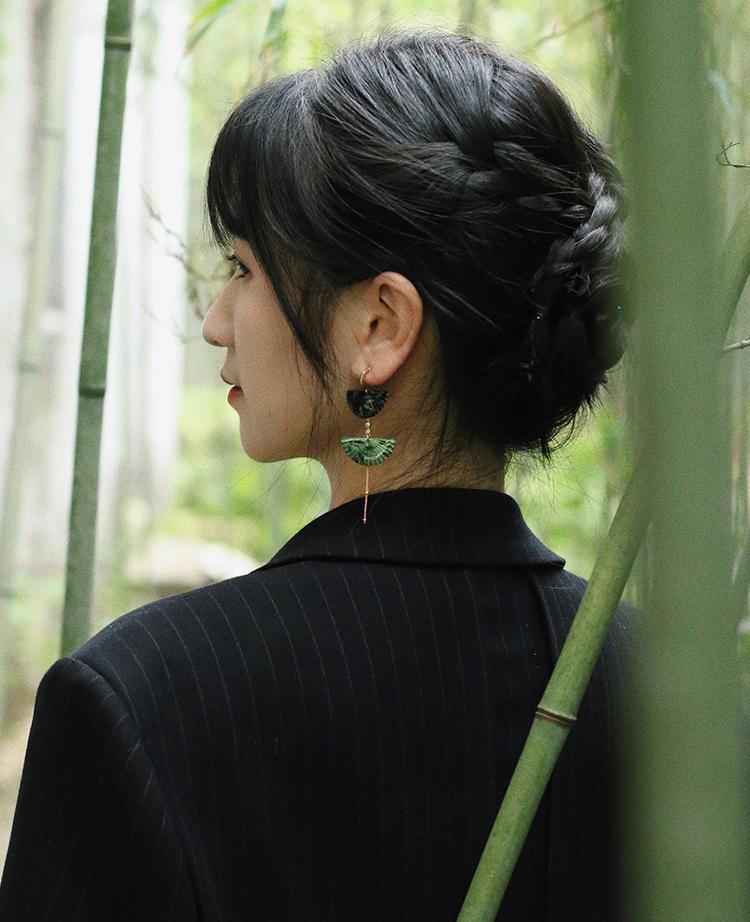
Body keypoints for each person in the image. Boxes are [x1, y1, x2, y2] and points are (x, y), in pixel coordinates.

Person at [0, 29, 637, 922]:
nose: (215, 321)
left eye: (244, 268)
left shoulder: (141, 699)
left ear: (380, 326)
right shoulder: (666, 694)